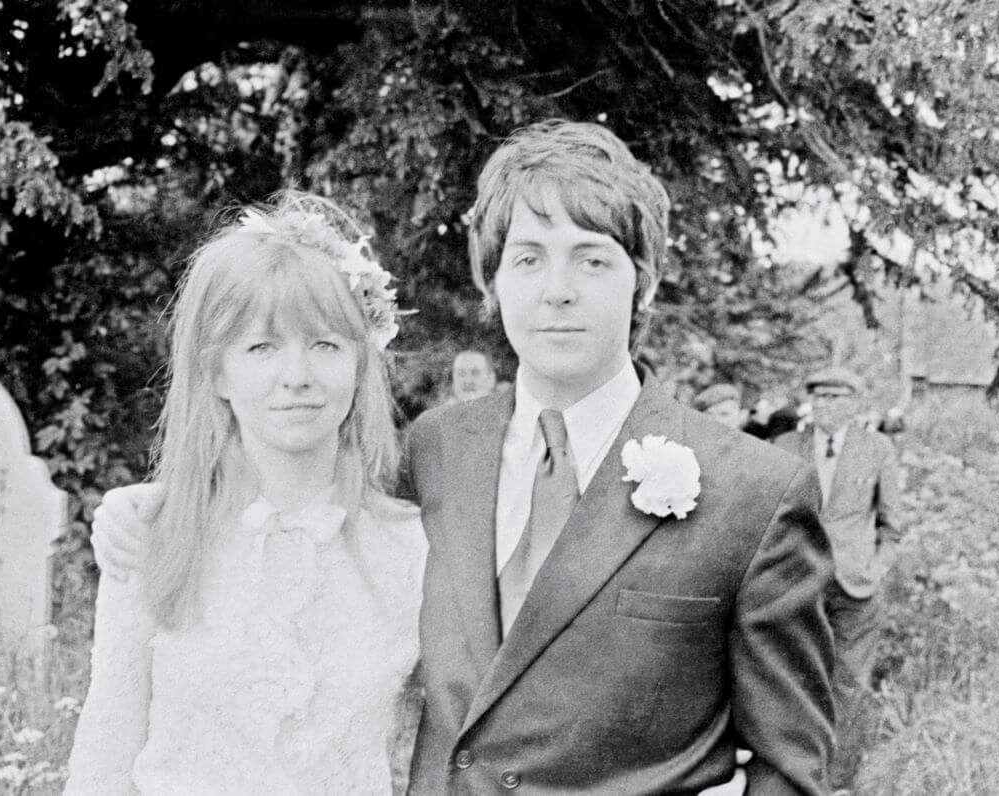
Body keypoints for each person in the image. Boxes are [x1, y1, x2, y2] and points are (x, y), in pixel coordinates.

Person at [92, 121, 835, 794]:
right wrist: (138, 508)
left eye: (593, 261)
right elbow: (294, 501)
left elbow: (791, 769)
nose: (558, 292)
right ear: (493, 279)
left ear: (644, 279)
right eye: (529, 259)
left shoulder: (754, 494)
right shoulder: (435, 450)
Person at [65, 193, 426, 794]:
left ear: (361, 364)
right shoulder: (151, 532)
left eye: (325, 345)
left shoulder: (412, 547)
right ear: (217, 372)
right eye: (261, 348)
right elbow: (105, 756)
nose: (296, 376)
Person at [773, 365, 903, 792]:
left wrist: (876, 568)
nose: (826, 406)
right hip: (797, 583)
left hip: (856, 586)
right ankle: (793, 775)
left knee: (848, 684)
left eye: (836, 398)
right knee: (793, 679)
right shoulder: (785, 445)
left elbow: (891, 524)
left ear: (854, 404)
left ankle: (838, 781)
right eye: (820, 397)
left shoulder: (877, 448)